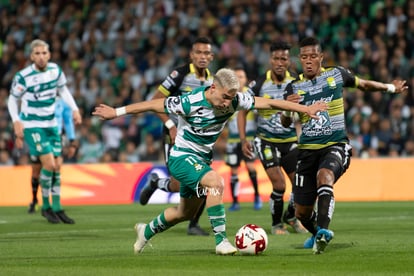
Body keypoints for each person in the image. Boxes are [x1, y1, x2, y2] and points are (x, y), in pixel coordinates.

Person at [92, 68, 327, 255]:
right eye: (225, 97)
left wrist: (305, 108)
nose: (227, 103)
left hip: (202, 159)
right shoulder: (189, 101)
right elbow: (154, 104)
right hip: (182, 157)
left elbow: (271, 103)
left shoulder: (235, 100)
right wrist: (117, 111)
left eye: (231, 98)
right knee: (215, 182)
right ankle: (221, 241)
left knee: (184, 213)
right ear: (213, 87)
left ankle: (146, 231)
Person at [281, 37, 408, 254]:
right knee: (301, 212)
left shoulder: (336, 74)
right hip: (307, 152)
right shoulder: (293, 87)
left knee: (325, 175)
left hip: (336, 145)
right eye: (304, 57)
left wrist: (390, 88)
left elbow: (364, 84)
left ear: (321, 57)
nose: (309, 61)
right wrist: (286, 110)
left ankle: (323, 231)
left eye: (313, 56)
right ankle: (316, 233)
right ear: (300, 59)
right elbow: (285, 122)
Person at [139, 36, 214, 236]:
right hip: (175, 135)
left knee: (205, 179)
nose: (202, 57)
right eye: (198, 52)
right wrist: (171, 125)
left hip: (198, 139)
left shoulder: (212, 81)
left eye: (206, 53)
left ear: (212, 57)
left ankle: (194, 224)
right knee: (179, 183)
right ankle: (157, 183)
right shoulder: (179, 75)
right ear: (191, 55)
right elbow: (155, 101)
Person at [8, 39, 82, 224]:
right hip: (33, 125)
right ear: (31, 56)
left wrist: (74, 108)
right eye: (37, 54)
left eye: (44, 53)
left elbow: (63, 90)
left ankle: (57, 208)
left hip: (51, 124)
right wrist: (16, 121)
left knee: (57, 166)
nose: (41, 57)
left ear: (49, 54)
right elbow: (11, 100)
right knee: (48, 164)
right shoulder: (23, 76)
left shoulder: (55, 71)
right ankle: (46, 206)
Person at [238, 41, 307, 235]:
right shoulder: (259, 83)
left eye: (283, 58)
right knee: (279, 184)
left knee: (301, 184)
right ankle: (277, 224)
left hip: (290, 140)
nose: (279, 62)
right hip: (266, 140)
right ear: (270, 60)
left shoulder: (295, 82)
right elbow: (242, 110)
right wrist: (244, 139)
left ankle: (291, 216)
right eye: (276, 58)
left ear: (288, 61)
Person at [28, 97, 78, 214]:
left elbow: (68, 121)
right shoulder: (38, 96)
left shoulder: (63, 101)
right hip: (39, 135)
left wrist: (72, 141)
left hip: (56, 136)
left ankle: (54, 203)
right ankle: (35, 199)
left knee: (56, 166)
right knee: (36, 170)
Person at [224, 67, 261, 211]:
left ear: (246, 79)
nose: (239, 79)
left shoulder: (249, 95)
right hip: (232, 140)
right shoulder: (227, 95)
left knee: (251, 167)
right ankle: (235, 202)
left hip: (249, 138)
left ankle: (257, 196)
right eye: (236, 76)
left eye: (241, 76)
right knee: (233, 171)